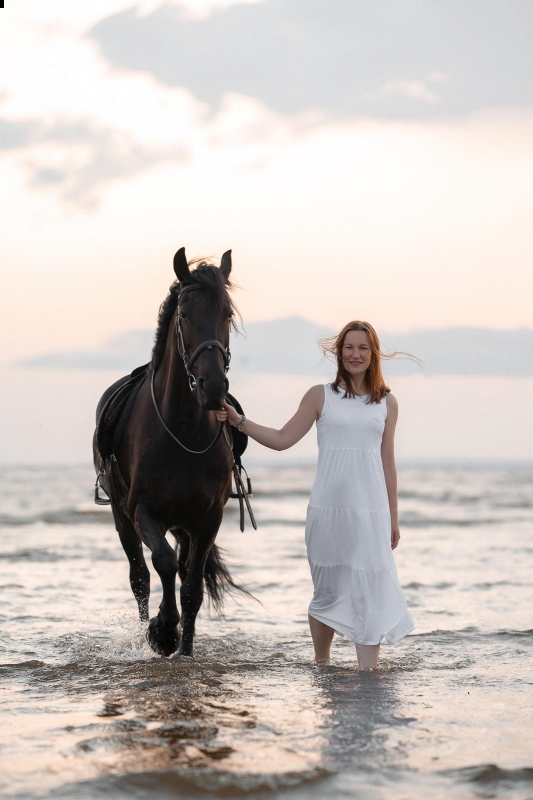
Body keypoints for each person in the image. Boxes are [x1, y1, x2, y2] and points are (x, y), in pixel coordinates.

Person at [216, 321, 415, 670]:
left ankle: (367, 673)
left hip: (371, 513)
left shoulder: (387, 404)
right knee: (328, 591)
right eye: (349, 347)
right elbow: (282, 439)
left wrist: (393, 519)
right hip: (328, 511)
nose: (355, 354)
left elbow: (388, 462)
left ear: (373, 355)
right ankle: (322, 664)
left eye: (363, 348)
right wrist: (239, 421)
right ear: (339, 352)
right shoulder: (320, 396)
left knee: (370, 587)